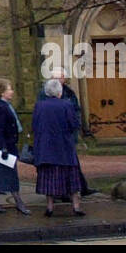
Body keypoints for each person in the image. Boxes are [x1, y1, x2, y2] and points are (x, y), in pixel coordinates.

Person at [37, 67, 96, 197]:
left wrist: (76, 125)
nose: (58, 80)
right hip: (53, 136)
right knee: (57, 165)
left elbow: (76, 110)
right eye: (56, 78)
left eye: (61, 77)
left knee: (72, 163)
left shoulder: (69, 93)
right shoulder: (45, 94)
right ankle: (60, 193)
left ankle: (81, 187)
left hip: (67, 134)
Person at [32, 78, 85, 216]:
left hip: (46, 147)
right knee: (71, 179)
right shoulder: (66, 105)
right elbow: (74, 124)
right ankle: (76, 206)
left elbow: (34, 125)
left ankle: (49, 207)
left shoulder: (39, 105)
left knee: (49, 178)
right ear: (59, 92)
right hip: (64, 147)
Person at [0, 78, 30, 214]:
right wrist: (3, 147)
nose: (12, 91)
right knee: (10, 175)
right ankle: (18, 202)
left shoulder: (4, 105)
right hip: (5, 147)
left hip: (6, 145)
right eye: (9, 89)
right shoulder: (0, 107)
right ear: (2, 92)